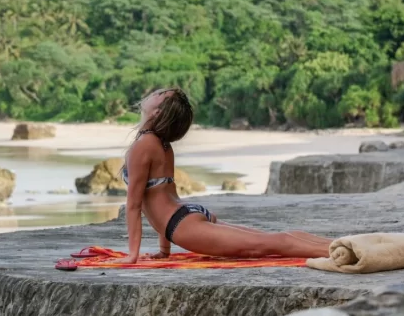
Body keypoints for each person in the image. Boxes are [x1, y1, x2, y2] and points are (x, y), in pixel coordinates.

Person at [114, 87, 331, 264]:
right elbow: (163, 195)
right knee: (269, 240)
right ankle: (341, 246)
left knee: (269, 243)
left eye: (159, 94)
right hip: (184, 216)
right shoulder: (161, 144)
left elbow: (135, 205)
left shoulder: (144, 145)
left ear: (157, 112)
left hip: (182, 225)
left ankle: (343, 250)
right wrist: (164, 250)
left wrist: (132, 256)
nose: (155, 92)